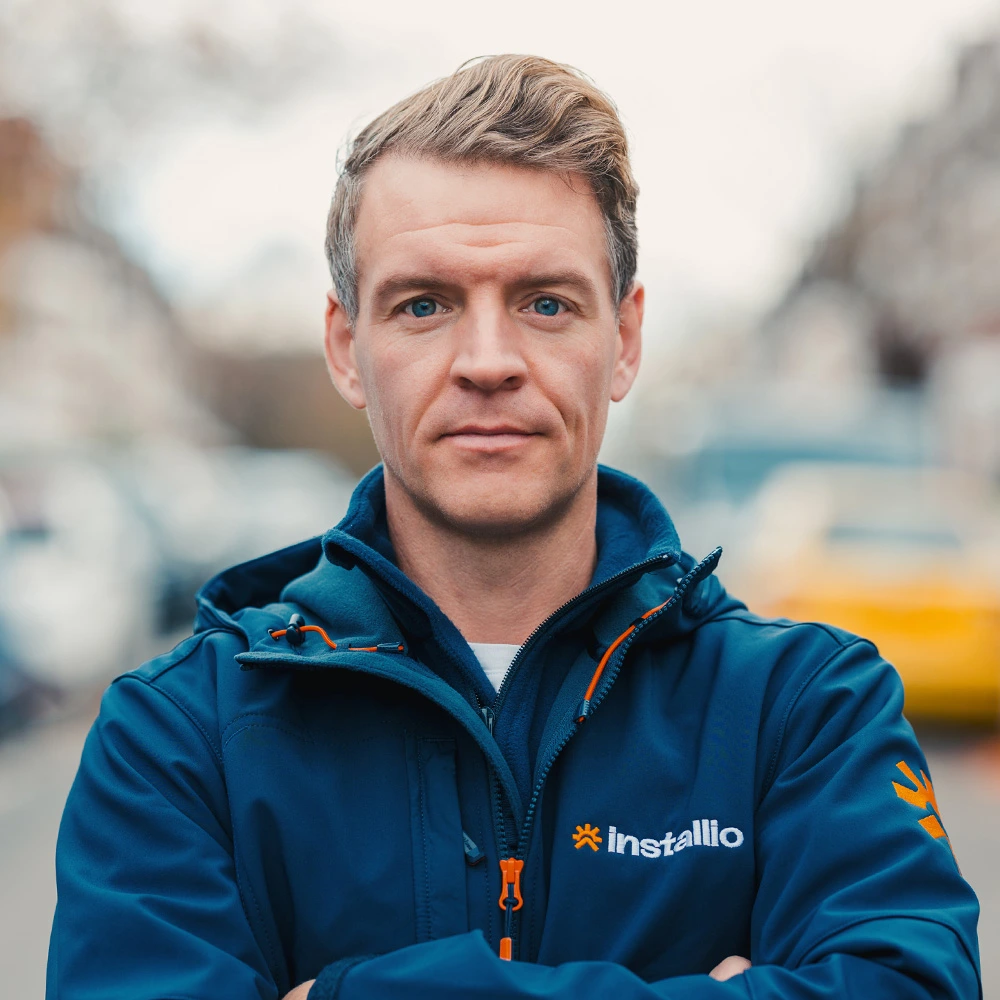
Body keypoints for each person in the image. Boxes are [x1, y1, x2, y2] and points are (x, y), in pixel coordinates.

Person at [47, 55, 980, 1000]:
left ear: (624, 339)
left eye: (545, 303)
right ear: (346, 348)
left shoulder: (806, 707)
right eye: (424, 305)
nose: (488, 361)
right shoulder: (177, 737)